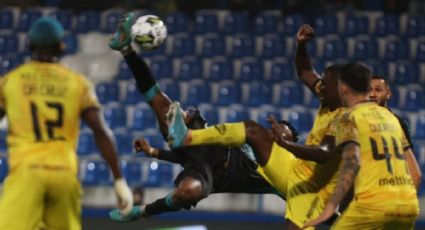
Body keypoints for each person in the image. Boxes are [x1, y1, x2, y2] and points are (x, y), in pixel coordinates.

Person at [108, 12, 297, 222]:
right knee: (161, 105)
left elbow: (302, 196)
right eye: (276, 129)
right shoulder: (254, 140)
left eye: (284, 135)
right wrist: (153, 152)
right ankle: (126, 48)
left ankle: (141, 211)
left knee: (187, 192)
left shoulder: (280, 177)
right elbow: (194, 153)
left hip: (210, 174)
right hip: (206, 142)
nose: (277, 134)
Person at [0, 17, 133, 230]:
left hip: (27, 171)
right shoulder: (77, 83)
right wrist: (119, 180)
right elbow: (100, 130)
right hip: (64, 172)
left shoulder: (11, 81)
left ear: (30, 45)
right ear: (61, 46)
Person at [304, 63, 419, 229]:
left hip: (370, 203)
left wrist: (329, 208)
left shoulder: (348, 117)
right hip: (406, 205)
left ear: (343, 88)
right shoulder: (392, 119)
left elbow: (351, 164)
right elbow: (416, 173)